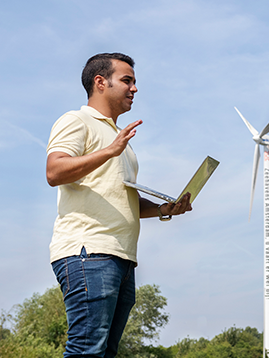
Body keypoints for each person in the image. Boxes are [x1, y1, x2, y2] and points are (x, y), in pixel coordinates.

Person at [46, 53, 193, 357]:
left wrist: (165, 209)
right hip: (89, 252)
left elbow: (124, 198)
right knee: (87, 350)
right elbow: (55, 171)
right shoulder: (77, 120)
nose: (134, 88)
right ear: (100, 82)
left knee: (105, 353)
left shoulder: (121, 141)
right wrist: (110, 151)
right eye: (127, 80)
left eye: (135, 82)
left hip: (122, 257)